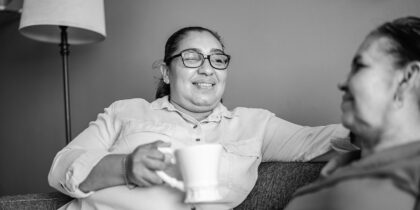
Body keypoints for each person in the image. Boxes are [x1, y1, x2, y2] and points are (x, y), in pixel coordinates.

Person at [48, 26, 353, 210]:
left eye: (217, 60)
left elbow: (324, 141)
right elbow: (61, 166)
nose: (207, 69)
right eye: (192, 57)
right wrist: (126, 167)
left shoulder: (254, 125)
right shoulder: (126, 111)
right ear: (167, 72)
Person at [285, 16, 420, 210]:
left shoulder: (410, 173)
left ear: (406, 79)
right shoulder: (340, 169)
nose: (343, 84)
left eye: (359, 67)